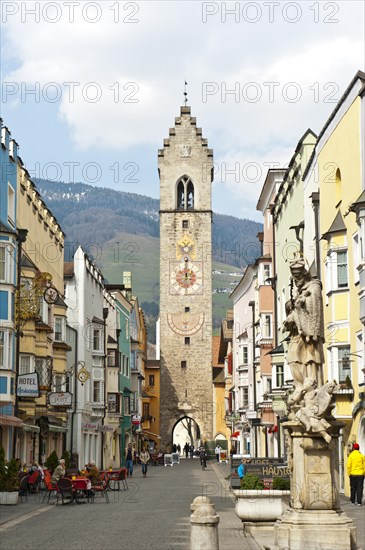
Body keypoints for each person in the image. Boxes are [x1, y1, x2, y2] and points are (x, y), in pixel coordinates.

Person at [283, 259, 325, 390]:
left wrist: (299, 307)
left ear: (304, 275)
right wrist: (290, 309)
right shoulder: (300, 291)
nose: (296, 281)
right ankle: (301, 388)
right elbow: (298, 309)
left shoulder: (314, 287)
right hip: (298, 332)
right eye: (294, 278)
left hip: (309, 337)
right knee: (292, 358)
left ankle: (310, 389)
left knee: (309, 360)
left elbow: (314, 309)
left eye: (297, 277)